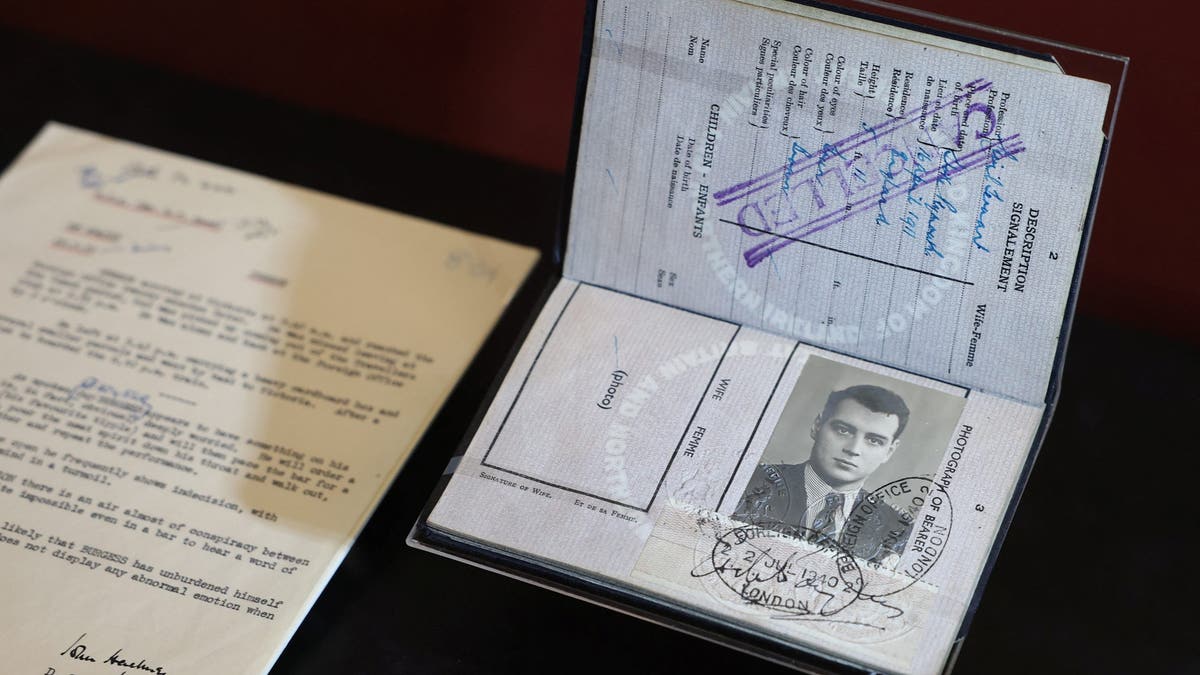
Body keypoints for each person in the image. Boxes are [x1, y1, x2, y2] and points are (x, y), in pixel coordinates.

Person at [732, 384, 913, 565]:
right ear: (816, 426)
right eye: (843, 430)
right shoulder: (749, 480)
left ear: (889, 451)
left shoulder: (898, 529)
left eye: (874, 440)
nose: (853, 449)